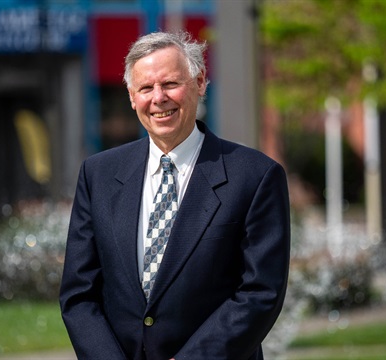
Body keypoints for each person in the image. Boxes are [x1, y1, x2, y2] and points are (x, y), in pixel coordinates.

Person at [60, 31, 290, 360]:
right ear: (131, 96)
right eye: (145, 88)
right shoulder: (98, 175)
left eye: (170, 84)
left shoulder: (255, 176)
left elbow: (260, 292)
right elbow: (78, 294)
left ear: (199, 82)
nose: (158, 98)